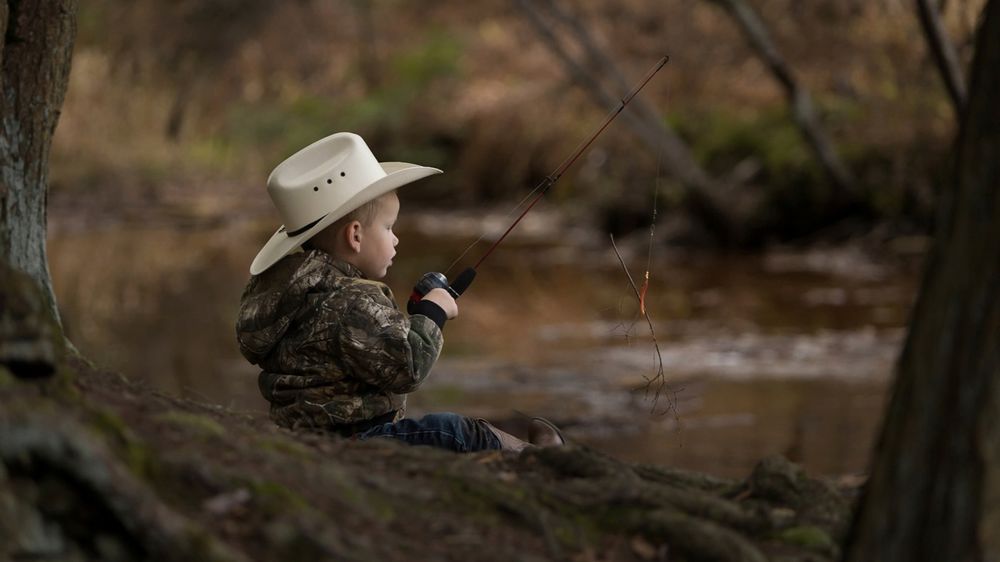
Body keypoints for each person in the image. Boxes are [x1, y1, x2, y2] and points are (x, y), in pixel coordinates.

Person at [236, 132, 564, 453]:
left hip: (305, 437)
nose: (395, 239)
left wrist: (406, 320)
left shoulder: (294, 292)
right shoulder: (352, 301)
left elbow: (359, 347)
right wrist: (431, 314)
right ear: (355, 236)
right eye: (389, 227)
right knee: (453, 431)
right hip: (355, 441)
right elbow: (408, 367)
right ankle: (540, 460)